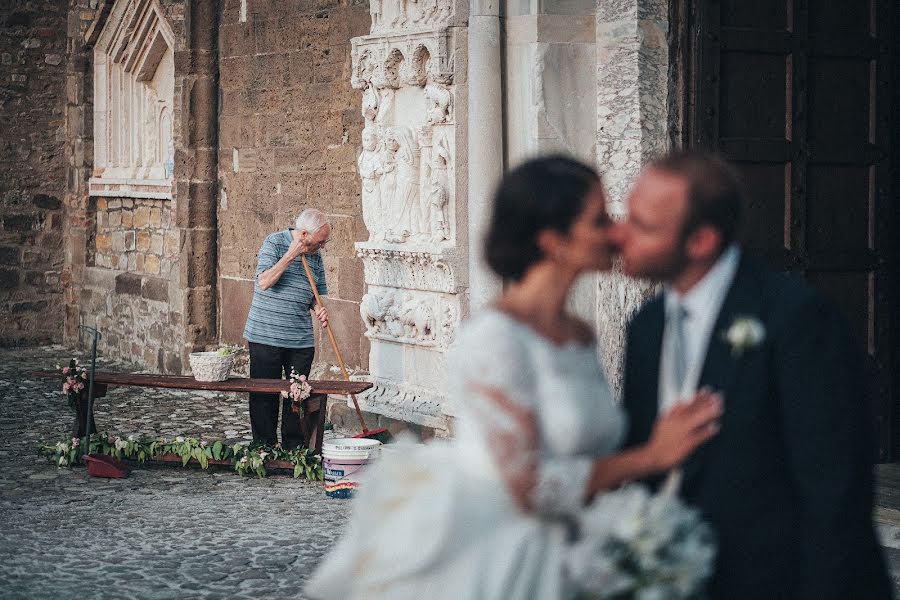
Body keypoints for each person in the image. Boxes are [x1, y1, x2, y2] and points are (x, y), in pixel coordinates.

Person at [306, 155, 722, 599]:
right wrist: (654, 456)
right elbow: (528, 485)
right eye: (600, 219)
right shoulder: (494, 340)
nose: (617, 231)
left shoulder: (579, 334)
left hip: (583, 548)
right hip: (509, 559)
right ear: (553, 240)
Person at [611, 151, 892, 599]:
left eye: (642, 226)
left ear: (700, 241)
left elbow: (835, 488)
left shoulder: (795, 318)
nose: (619, 235)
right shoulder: (646, 326)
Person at [242, 208, 331, 450]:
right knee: (264, 394)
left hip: (300, 340)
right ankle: (264, 447)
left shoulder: (315, 256)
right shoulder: (274, 243)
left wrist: (317, 307)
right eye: (319, 242)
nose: (322, 247)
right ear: (303, 234)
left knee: (298, 395)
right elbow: (264, 282)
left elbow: (313, 294)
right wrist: (291, 255)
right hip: (266, 334)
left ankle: (294, 448)